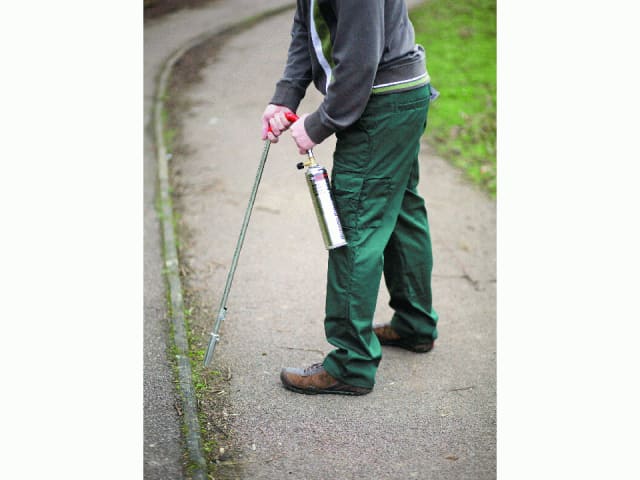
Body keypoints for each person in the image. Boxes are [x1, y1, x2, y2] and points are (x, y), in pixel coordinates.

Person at [261, 0, 439, 396]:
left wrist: (321, 123)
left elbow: (360, 58)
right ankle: (415, 324)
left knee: (354, 226)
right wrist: (285, 95)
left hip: (381, 104)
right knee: (401, 213)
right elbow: (307, 23)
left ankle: (351, 363)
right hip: (399, 96)